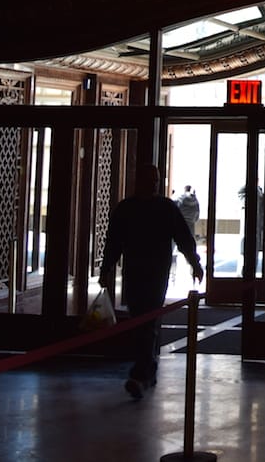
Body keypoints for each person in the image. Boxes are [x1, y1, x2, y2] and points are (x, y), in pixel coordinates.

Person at [99, 163, 203, 399]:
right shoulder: (138, 208)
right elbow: (113, 242)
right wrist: (106, 268)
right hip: (138, 273)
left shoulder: (157, 208)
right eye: (152, 179)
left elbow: (184, 238)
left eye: (157, 179)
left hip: (155, 273)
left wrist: (195, 262)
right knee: (142, 321)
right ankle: (147, 369)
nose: (155, 183)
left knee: (147, 321)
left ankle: (141, 372)